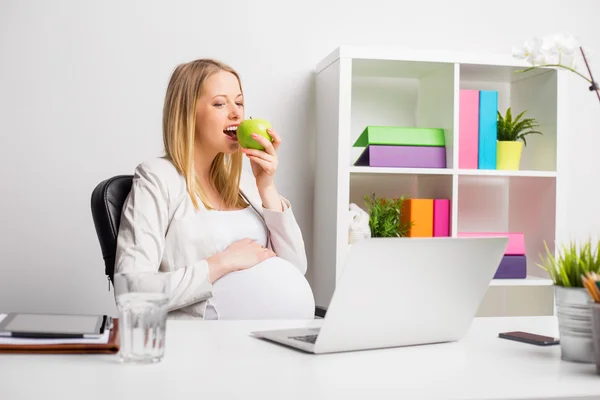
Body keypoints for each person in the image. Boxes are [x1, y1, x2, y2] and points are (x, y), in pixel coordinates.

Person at [114, 59, 315, 320]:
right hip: (204, 346)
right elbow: (131, 291)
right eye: (220, 103)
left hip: (271, 344)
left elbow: (296, 267)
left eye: (239, 102)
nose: (236, 114)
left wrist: (266, 185)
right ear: (188, 113)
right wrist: (223, 262)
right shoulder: (157, 178)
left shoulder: (243, 184)